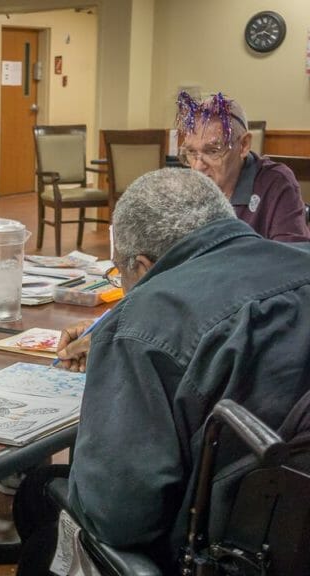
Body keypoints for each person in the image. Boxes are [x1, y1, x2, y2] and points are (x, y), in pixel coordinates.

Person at [20, 168, 310, 574]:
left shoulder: (145, 321)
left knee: (41, 527)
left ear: (141, 264)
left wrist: (127, 344)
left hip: (216, 549)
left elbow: (119, 517)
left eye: (120, 274)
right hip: (289, 534)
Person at [176, 91, 309, 242]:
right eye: (191, 152)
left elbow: (291, 258)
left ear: (244, 145)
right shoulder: (184, 189)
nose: (198, 167)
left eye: (212, 151)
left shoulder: (275, 183)